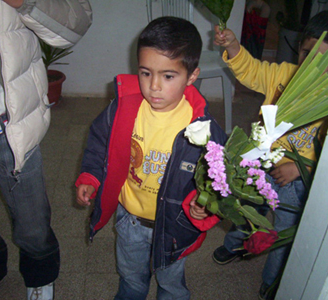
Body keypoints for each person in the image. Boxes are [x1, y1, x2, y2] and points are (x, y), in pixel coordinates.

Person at [75, 16, 227, 300]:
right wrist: (91, 176)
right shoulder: (123, 109)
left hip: (173, 225)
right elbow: (98, 142)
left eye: (168, 76)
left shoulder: (204, 128)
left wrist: (206, 206)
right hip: (130, 219)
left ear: (192, 76)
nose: (154, 86)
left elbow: (219, 179)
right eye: (146, 73)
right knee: (131, 279)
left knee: (171, 285)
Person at [0, 0, 92, 299]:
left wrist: (26, 3)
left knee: (32, 221)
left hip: (14, 131)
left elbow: (75, 24)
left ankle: (40, 278)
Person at [212, 10, 328, 300]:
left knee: (285, 234)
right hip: (260, 163)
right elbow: (252, 70)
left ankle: (273, 280)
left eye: (327, 62)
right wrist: (234, 47)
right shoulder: (283, 74)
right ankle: (236, 243)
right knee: (246, 209)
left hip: (296, 180)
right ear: (299, 49)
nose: (313, 67)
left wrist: (301, 169)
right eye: (307, 54)